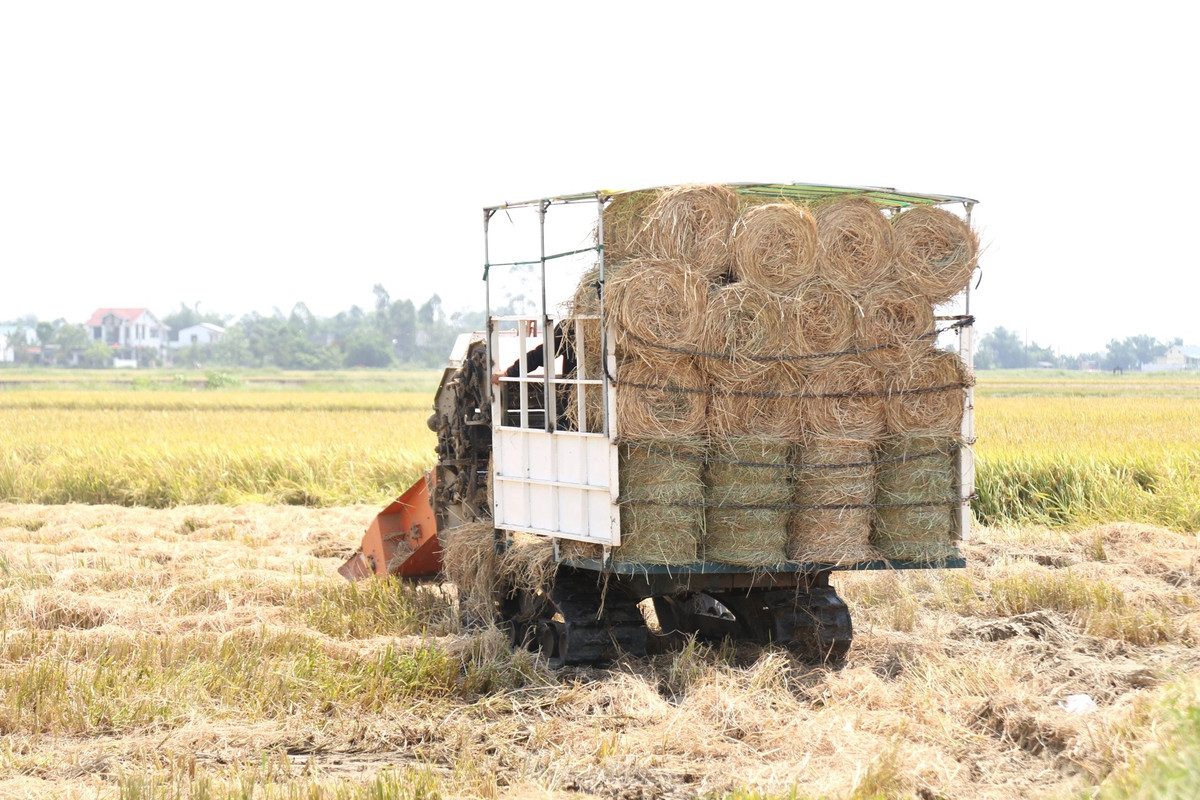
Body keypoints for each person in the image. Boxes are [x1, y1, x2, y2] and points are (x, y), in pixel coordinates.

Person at [492, 322, 578, 429]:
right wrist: (510, 372)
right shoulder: (572, 326)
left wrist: (509, 372)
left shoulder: (570, 326)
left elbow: (542, 354)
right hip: (577, 403)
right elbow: (542, 355)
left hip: (575, 406)